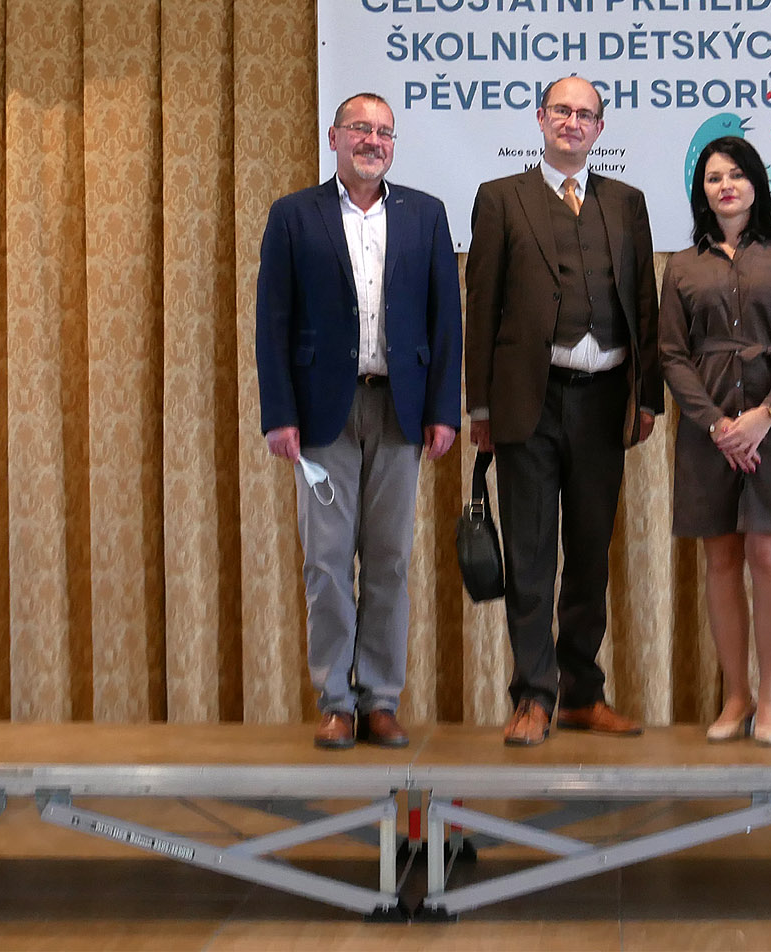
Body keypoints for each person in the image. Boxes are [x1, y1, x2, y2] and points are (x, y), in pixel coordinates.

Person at [256, 92, 461, 750]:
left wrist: (442, 410)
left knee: (390, 561)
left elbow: (445, 321)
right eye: (360, 129)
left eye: (384, 132)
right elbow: (272, 321)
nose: (373, 140)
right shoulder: (294, 215)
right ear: (334, 137)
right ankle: (335, 702)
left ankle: (379, 699)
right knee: (325, 563)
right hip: (323, 415)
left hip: (401, 410)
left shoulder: (425, 215)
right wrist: (279, 413)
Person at [464, 75, 663, 747]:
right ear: (540, 118)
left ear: (600, 129)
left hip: (605, 401)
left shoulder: (627, 202)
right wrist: (480, 405)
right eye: (562, 111)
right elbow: (481, 304)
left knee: (589, 554)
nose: (572, 122)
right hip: (529, 401)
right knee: (529, 554)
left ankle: (582, 692)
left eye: (585, 114)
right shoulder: (501, 198)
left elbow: (644, 303)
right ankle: (532, 695)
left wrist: (648, 397)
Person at [660, 136, 771, 748]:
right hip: (708, 432)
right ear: (701, 191)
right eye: (713, 177)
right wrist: (716, 425)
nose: (725, 185)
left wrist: (764, 416)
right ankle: (736, 695)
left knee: (770, 557)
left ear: (756, 183)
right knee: (722, 561)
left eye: (735, 174)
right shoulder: (682, 265)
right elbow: (672, 354)